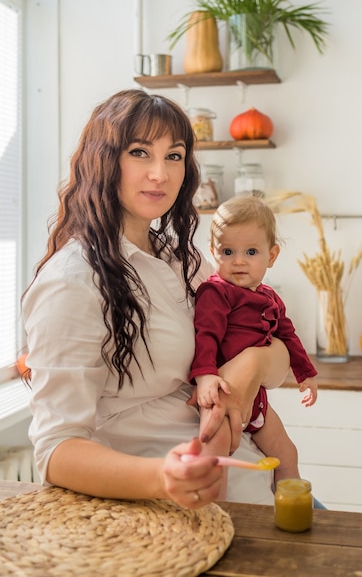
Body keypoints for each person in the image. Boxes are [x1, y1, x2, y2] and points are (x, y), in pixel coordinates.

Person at [21, 89, 292, 510]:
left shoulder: (183, 259)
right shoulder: (72, 280)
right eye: (139, 152)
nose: (160, 174)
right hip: (170, 514)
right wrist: (163, 477)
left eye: (174, 156)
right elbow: (56, 452)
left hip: (259, 491)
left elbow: (276, 362)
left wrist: (251, 365)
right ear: (104, 160)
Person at [190, 195, 318, 496]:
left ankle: (291, 510)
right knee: (215, 452)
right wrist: (205, 375)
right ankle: (214, 512)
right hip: (221, 392)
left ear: (271, 256)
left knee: (288, 453)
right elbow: (205, 335)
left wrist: (306, 374)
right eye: (227, 251)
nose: (238, 261)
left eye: (251, 251)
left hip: (257, 401)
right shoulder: (215, 292)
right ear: (213, 252)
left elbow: (288, 336)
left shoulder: (270, 297)